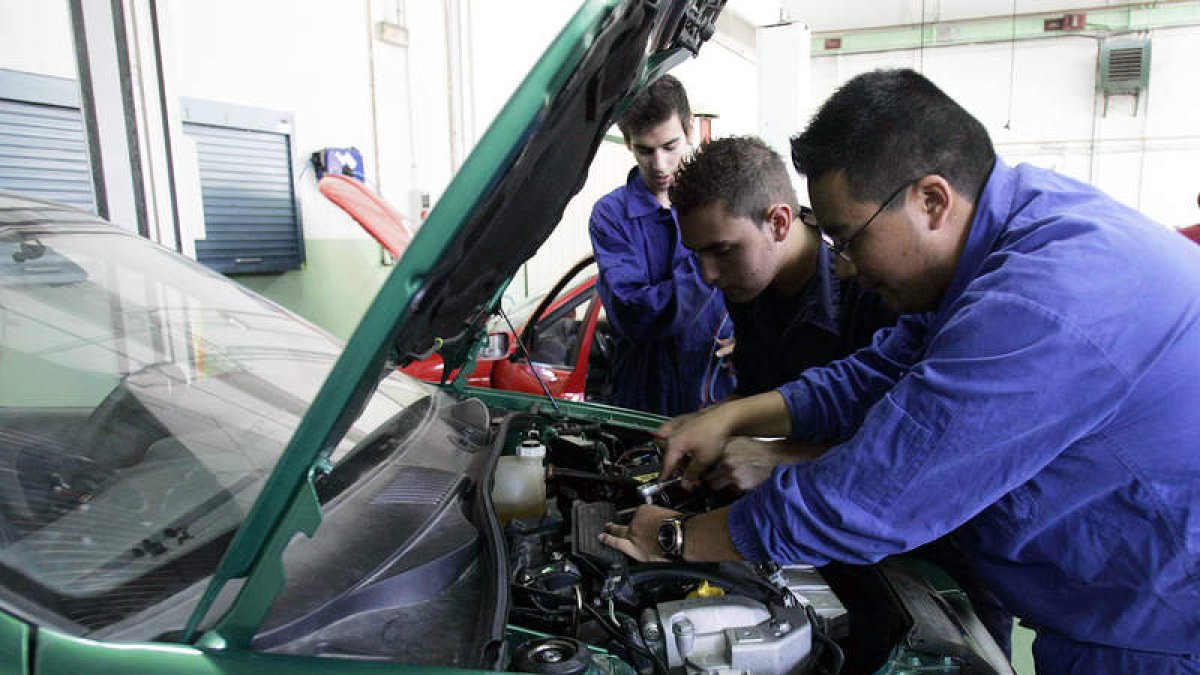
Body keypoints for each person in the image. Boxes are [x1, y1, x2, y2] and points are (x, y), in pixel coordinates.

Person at [600, 69, 1200, 673]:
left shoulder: (1038, 303)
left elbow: (870, 497)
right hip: (1110, 604)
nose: (848, 266)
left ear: (931, 200)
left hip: (1152, 630)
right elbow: (879, 372)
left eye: (848, 238)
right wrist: (731, 416)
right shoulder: (1006, 235)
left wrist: (676, 538)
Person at [665, 134, 1016, 655]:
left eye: (721, 251)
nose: (707, 276)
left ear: (780, 222)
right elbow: (854, 380)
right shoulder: (752, 289)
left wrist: (683, 535)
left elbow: (905, 469)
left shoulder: (895, 285)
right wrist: (731, 420)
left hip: (931, 568)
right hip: (817, 538)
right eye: (697, 255)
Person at [588, 74, 734, 417]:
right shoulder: (611, 215)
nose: (660, 165)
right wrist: (709, 256)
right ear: (627, 143)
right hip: (644, 392)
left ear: (689, 130)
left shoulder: (724, 201)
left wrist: (753, 336)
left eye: (670, 147)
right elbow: (635, 313)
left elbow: (760, 278)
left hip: (716, 387)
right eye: (645, 150)